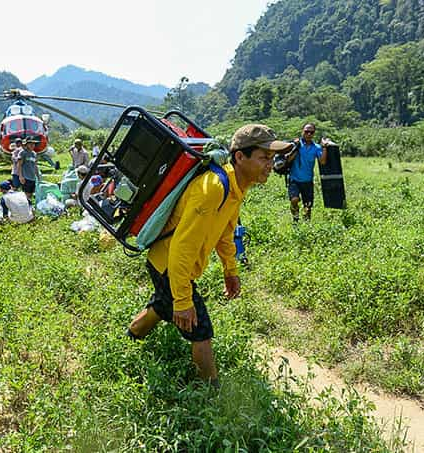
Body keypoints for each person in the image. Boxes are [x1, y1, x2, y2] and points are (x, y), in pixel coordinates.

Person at [126, 124, 293, 386]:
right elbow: (183, 246)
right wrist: (182, 300)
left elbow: (226, 233)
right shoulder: (213, 188)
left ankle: (130, 340)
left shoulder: (236, 187)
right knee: (200, 330)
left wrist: (231, 271)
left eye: (272, 158)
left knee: (161, 306)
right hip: (168, 265)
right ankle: (211, 396)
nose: (270, 164)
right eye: (264, 157)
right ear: (240, 157)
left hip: (169, 264)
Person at [286, 123, 329, 222]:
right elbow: (288, 160)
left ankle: (307, 225)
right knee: (294, 200)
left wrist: (324, 147)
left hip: (308, 181)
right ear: (302, 131)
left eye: (311, 132)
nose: (309, 134)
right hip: (294, 179)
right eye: (306, 132)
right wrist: (296, 148)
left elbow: (322, 161)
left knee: (308, 206)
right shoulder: (296, 144)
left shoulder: (317, 147)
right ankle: (295, 219)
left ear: (314, 134)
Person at [18, 136, 40, 201]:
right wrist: (21, 176)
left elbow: (35, 166)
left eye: (33, 144)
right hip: (26, 177)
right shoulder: (23, 153)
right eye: (30, 144)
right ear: (26, 144)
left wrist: (38, 176)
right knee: (26, 194)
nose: (32, 145)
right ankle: (25, 207)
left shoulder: (34, 154)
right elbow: (19, 165)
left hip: (32, 177)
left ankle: (29, 206)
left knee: (31, 194)